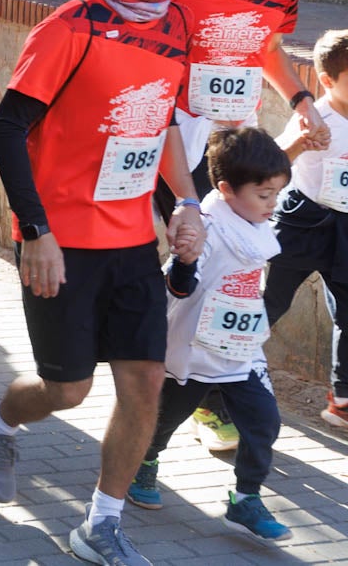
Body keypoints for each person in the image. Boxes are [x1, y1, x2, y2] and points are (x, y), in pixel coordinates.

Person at [0, 0, 207, 566]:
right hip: (62, 240)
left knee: (146, 381)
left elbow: (160, 122)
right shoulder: (70, 28)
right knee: (68, 389)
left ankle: (101, 523)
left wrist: (185, 204)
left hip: (132, 240)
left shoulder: (176, 24)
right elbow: (7, 128)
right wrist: (35, 231)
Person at [156, 0, 326, 450]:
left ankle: (203, 394)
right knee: (198, 260)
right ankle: (180, 389)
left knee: (229, 272)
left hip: (237, 141)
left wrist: (301, 100)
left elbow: (269, 49)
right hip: (180, 135)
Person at [125, 127, 293, 544]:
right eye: (264, 194)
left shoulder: (256, 223)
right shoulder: (204, 228)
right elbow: (178, 284)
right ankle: (144, 460)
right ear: (226, 190)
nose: (272, 204)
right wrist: (185, 263)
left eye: (276, 194)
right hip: (193, 348)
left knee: (264, 421)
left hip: (239, 350)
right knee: (167, 416)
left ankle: (246, 498)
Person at [265, 27, 348, 431]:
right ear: (328, 81)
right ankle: (217, 377)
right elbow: (273, 161)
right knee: (269, 302)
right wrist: (301, 141)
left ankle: (342, 401)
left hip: (345, 227)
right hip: (301, 222)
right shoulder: (315, 117)